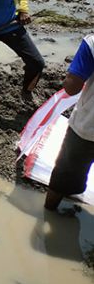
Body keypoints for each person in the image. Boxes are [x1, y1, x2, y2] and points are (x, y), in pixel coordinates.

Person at [44, 34, 94, 212]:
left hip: (87, 129)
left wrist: (67, 78)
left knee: (63, 176)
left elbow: (72, 87)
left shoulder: (92, 43)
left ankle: (49, 212)